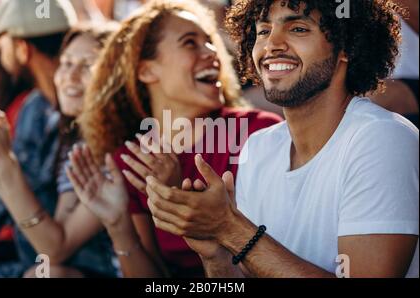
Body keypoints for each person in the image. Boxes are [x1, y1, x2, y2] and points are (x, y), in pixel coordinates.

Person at [140, 0, 419, 278]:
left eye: (297, 28)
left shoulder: (381, 140)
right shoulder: (259, 147)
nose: (271, 44)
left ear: (346, 47)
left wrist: (230, 228)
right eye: (262, 31)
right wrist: (215, 253)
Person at [67, 0, 281, 278]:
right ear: (146, 71)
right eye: (190, 43)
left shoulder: (257, 132)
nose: (212, 53)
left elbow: (258, 265)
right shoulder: (133, 159)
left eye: (210, 42)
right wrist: (118, 226)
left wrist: (176, 197)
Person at [0, 0, 77, 277]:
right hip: (35, 259)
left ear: (22, 49)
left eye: (2, 43)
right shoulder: (35, 108)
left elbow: (53, 243)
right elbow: (3, 211)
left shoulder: (81, 115)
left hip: (61, 264)